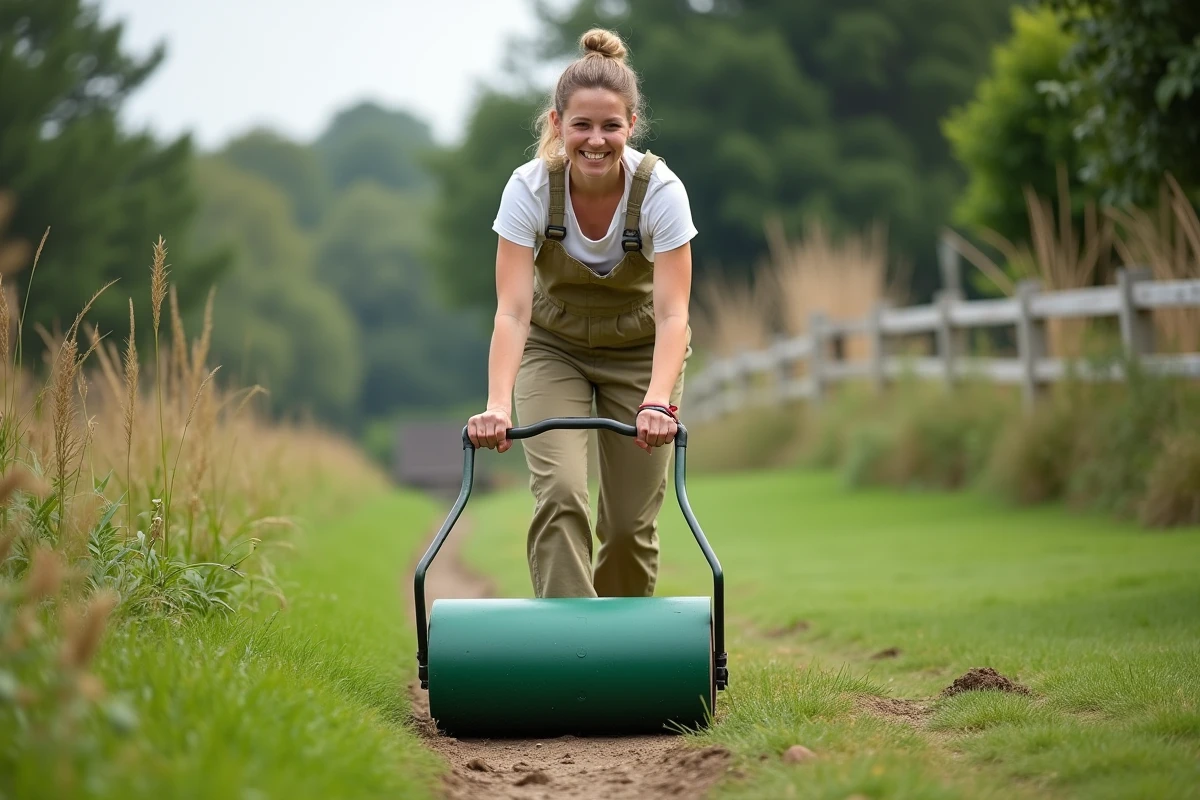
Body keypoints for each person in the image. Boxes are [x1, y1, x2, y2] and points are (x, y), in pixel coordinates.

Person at [467, 27, 696, 600]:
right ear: (556, 125)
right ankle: (570, 655)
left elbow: (673, 316)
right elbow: (513, 313)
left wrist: (657, 402)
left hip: (641, 353)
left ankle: (622, 659)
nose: (596, 141)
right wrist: (497, 406)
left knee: (626, 527)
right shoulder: (528, 189)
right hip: (554, 349)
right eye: (582, 126)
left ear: (632, 126)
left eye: (611, 126)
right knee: (562, 495)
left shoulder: (661, 192)